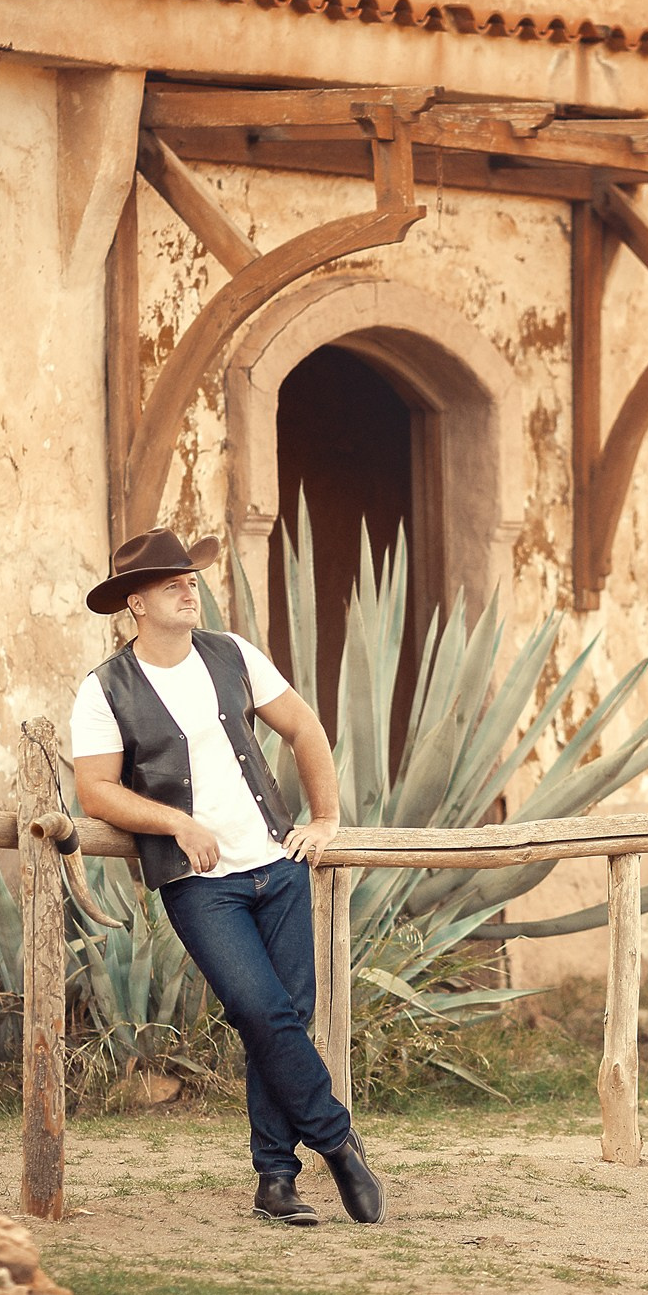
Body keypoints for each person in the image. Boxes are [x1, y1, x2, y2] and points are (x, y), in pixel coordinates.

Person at [69, 526, 384, 1227]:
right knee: (261, 1012)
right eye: (173, 584)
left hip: (279, 865)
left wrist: (325, 818)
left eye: (192, 580)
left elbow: (303, 727)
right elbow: (95, 792)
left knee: (283, 1022)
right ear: (136, 603)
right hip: (200, 884)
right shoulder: (104, 690)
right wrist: (176, 824)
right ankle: (339, 1144)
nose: (191, 591)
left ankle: (276, 1180)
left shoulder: (233, 653)